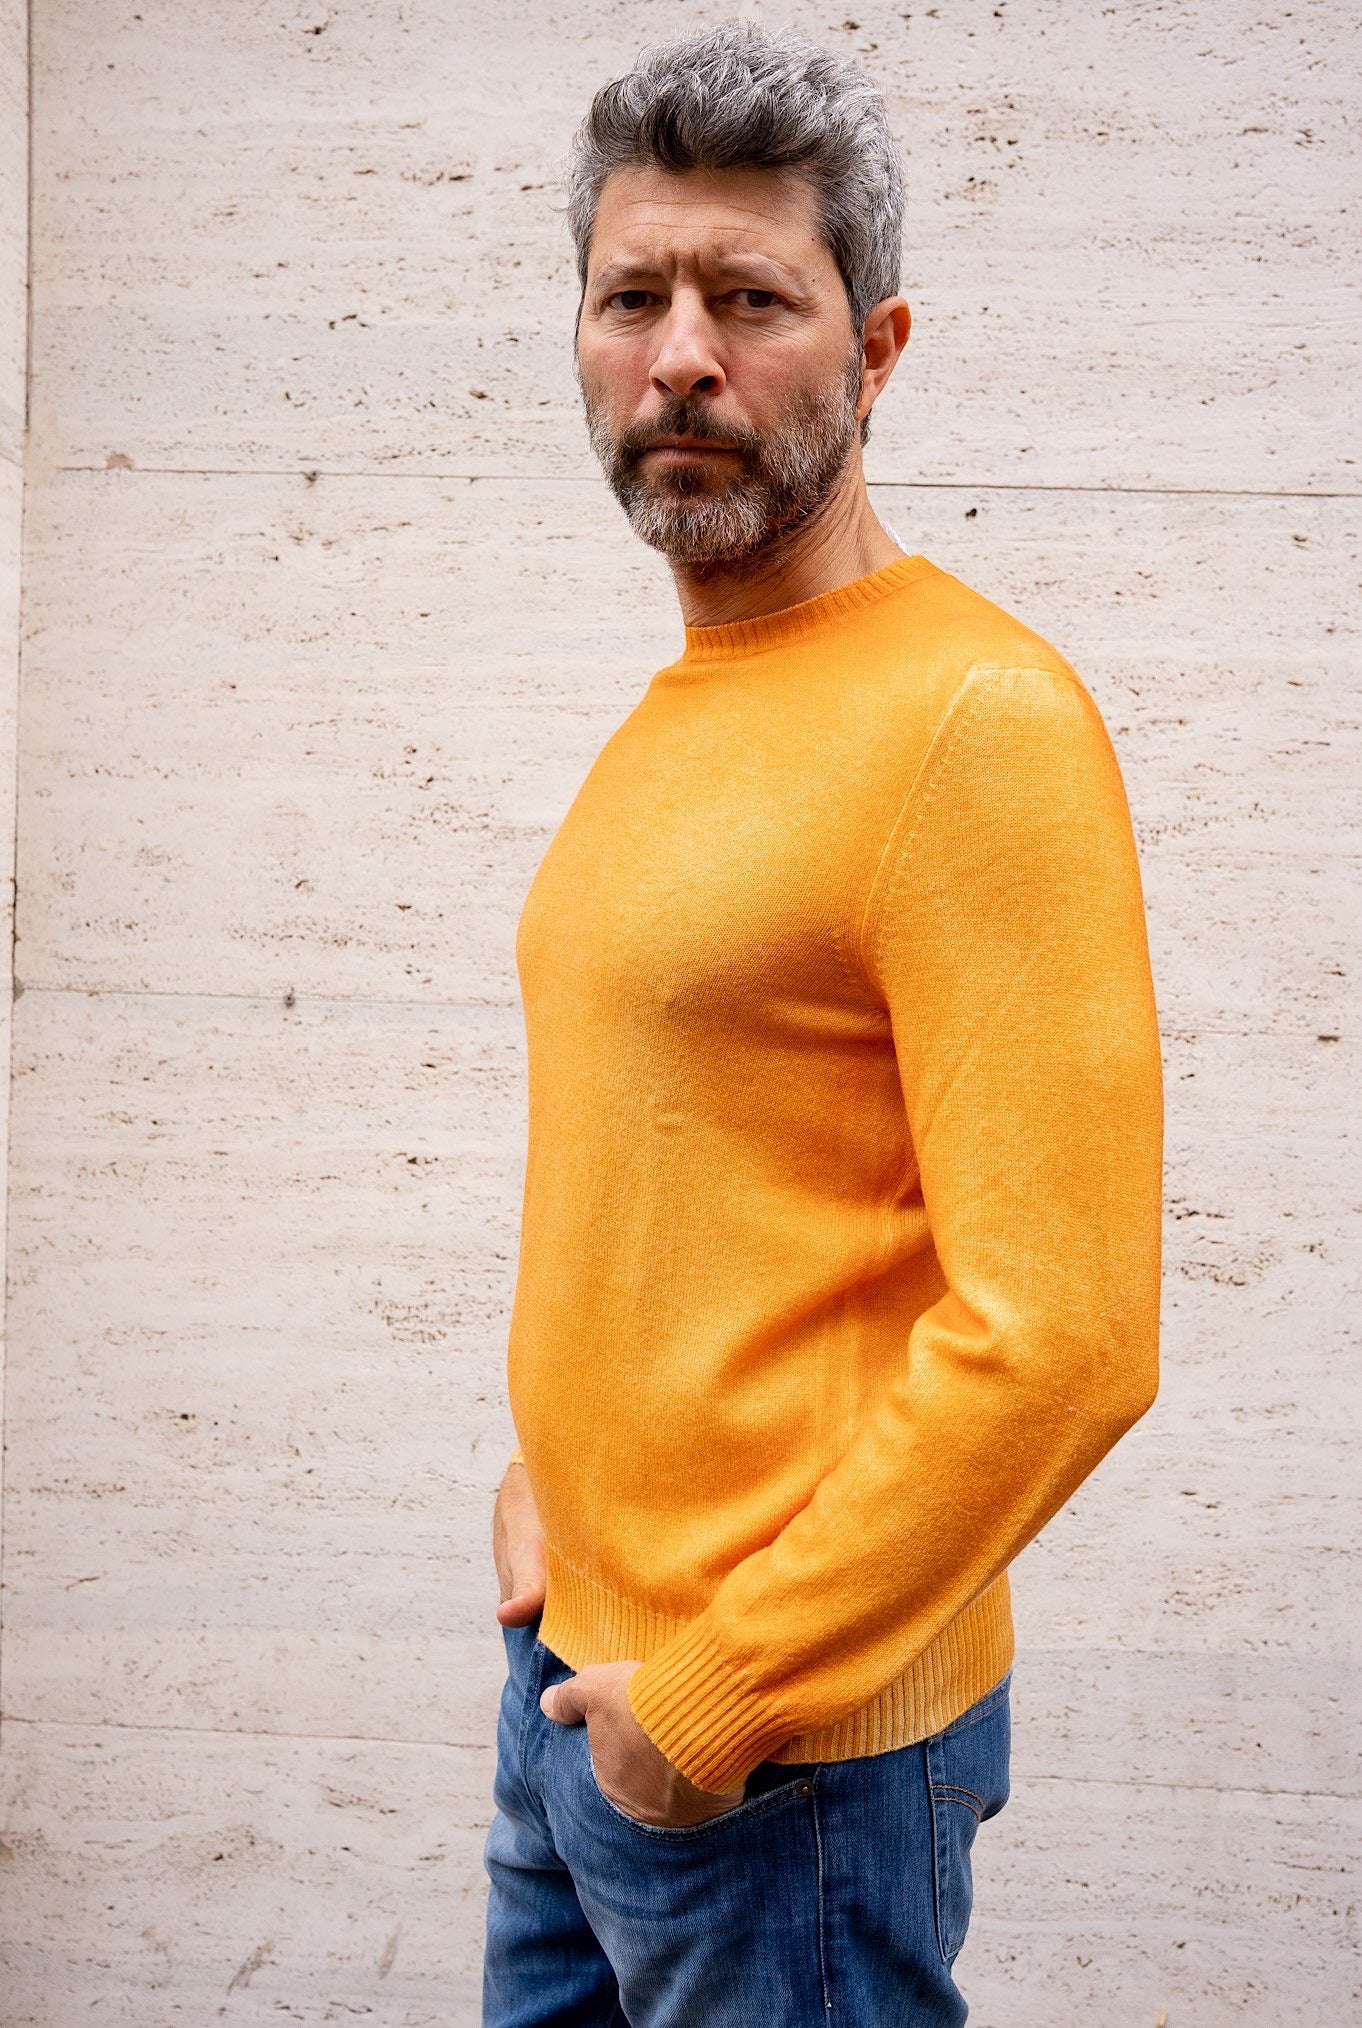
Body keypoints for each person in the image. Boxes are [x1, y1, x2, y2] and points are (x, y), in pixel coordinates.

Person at [481, 24, 1163, 2027]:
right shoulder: (688, 704)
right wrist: (552, 1491)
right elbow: (673, 1170)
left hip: (779, 1766)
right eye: (632, 298)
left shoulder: (972, 723)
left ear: (875, 351)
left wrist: (716, 1700)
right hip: (578, 1680)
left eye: (751, 301)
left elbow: (1063, 1338)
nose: (679, 356)